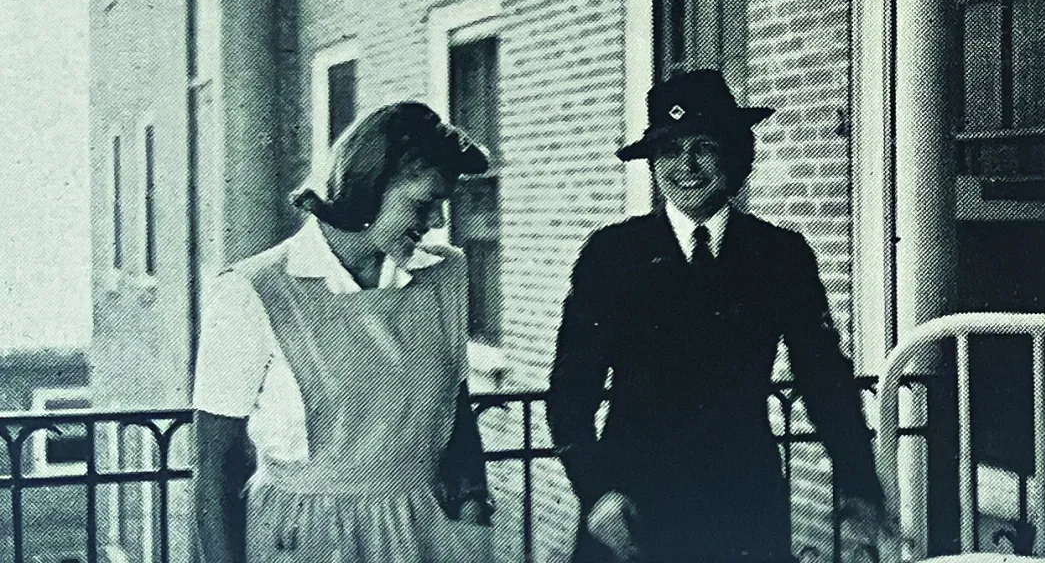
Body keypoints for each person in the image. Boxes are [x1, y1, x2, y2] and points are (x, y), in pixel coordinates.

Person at [547, 69, 885, 563]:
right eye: (668, 150)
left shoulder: (780, 255)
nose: (685, 165)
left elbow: (823, 376)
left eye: (702, 145)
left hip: (742, 504)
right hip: (633, 507)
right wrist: (595, 493)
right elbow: (570, 394)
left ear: (734, 153)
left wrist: (857, 480)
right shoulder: (613, 255)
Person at [193, 101, 496, 563]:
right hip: (302, 539)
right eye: (424, 203)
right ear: (368, 189)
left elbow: (454, 409)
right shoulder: (250, 292)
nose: (437, 222)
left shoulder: (445, 274)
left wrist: (473, 510)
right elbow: (215, 471)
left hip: (425, 534)